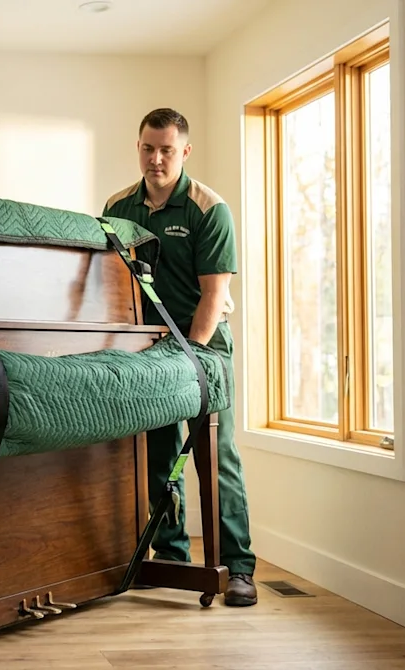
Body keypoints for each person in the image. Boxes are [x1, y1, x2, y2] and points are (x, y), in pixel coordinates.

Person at [101, 108, 257, 607]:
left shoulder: (209, 210)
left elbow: (214, 296)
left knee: (216, 456)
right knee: (159, 455)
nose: (156, 159)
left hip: (204, 345)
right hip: (147, 350)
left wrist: (189, 356)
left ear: (184, 151)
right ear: (138, 147)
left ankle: (238, 568)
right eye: (148, 148)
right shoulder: (117, 206)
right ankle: (171, 557)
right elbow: (111, 282)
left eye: (166, 149)